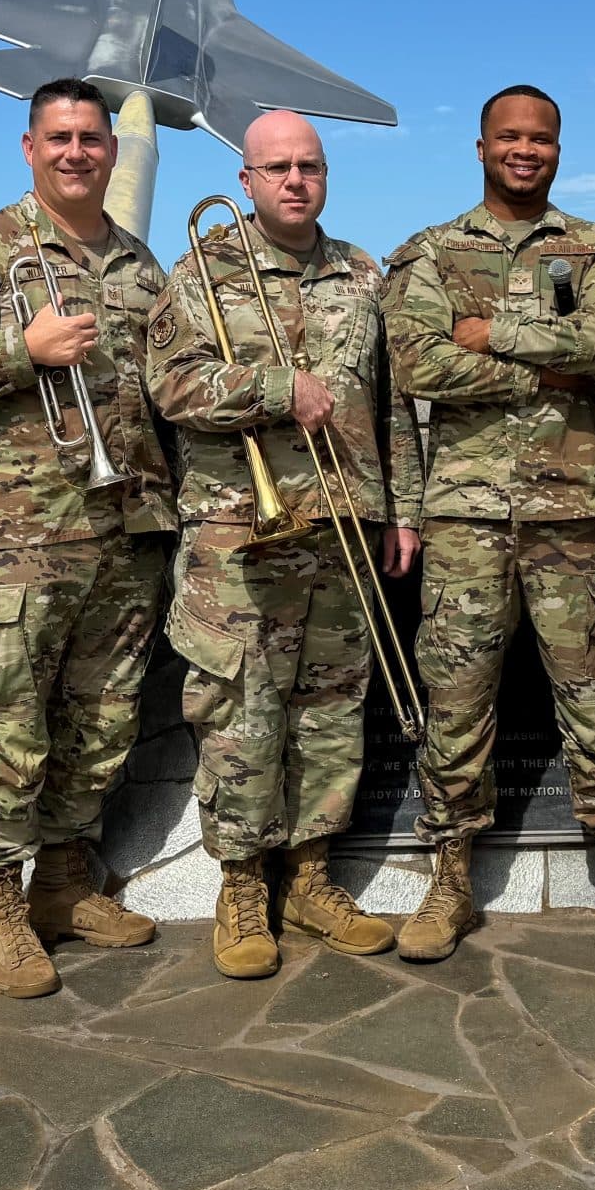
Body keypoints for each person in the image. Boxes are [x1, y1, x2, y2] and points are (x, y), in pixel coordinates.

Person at [0, 79, 175, 999]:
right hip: (14, 537)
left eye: (92, 138)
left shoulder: (138, 263)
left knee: (102, 720)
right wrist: (21, 350)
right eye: (60, 138)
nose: (78, 152)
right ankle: (0, 911)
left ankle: (62, 883)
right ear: (28, 147)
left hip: (123, 529)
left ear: (112, 152)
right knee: (6, 725)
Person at [383, 84, 595, 966]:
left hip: (573, 517)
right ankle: (449, 879)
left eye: (540, 139)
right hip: (466, 518)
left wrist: (489, 332)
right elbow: (415, 360)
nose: (525, 150)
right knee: (456, 702)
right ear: (479, 147)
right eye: (509, 137)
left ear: (558, 148)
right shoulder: (430, 253)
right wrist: (538, 368)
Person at [145, 109, 424, 980]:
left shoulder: (362, 273)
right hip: (238, 534)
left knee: (332, 710)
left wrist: (401, 510)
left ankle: (310, 876)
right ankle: (240, 885)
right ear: (247, 181)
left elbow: (388, 403)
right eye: (276, 168)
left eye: (309, 165)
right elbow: (171, 385)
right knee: (239, 712)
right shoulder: (201, 271)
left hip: (343, 524)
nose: (294, 180)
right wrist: (274, 388)